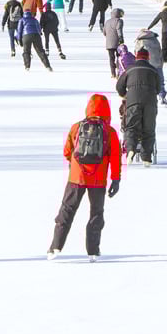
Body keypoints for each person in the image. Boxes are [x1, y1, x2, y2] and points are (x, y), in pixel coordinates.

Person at [47, 94, 122, 261]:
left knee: (67, 210)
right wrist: (115, 179)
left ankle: (55, 247)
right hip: (98, 180)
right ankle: (93, 251)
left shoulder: (76, 127)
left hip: (76, 178)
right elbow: (115, 158)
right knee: (96, 213)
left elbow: (67, 151)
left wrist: (74, 164)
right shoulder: (109, 132)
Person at [116, 48, 161, 165]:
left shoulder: (130, 69)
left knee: (131, 127)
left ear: (136, 57)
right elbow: (158, 88)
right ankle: (146, 157)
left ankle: (131, 150)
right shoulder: (153, 70)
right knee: (149, 129)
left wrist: (125, 95)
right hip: (150, 102)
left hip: (133, 102)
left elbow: (119, 86)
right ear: (148, 57)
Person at [133, 28, 167, 105]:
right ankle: (162, 95)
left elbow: (136, 53)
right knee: (160, 80)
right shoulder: (155, 40)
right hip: (157, 63)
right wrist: (161, 63)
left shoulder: (140, 41)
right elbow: (160, 51)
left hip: (145, 63)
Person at [102, 9, 124, 78]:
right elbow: (119, 30)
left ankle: (113, 73)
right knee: (119, 57)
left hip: (109, 43)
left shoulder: (107, 22)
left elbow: (104, 32)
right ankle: (119, 72)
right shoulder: (119, 21)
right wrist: (121, 39)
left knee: (111, 58)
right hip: (117, 42)